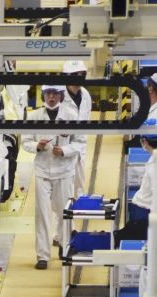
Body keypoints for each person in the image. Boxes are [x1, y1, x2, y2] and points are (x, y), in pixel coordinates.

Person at [25, 84, 80, 270]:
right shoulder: (34, 117)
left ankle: (65, 247)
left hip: (64, 171)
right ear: (43, 96)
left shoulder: (71, 116)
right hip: (42, 171)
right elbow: (25, 141)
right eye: (48, 94)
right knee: (42, 214)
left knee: (64, 212)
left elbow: (80, 143)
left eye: (55, 94)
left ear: (61, 96)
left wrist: (64, 150)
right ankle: (43, 255)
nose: (51, 97)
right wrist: (37, 147)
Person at [64, 60, 93, 198]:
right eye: (76, 74)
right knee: (63, 192)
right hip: (62, 150)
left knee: (79, 187)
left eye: (82, 74)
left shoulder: (86, 95)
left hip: (80, 148)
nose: (79, 77)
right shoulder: (58, 96)